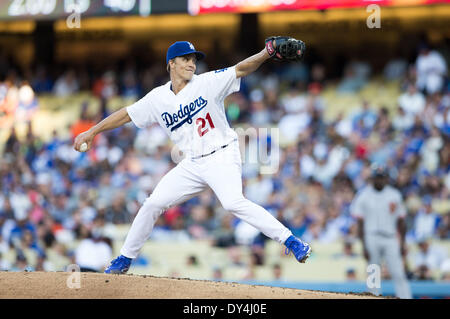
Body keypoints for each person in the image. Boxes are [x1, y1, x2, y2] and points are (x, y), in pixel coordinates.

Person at [74, 38, 311, 274]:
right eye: (185, 59)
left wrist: (266, 53)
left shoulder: (207, 82)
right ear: (171, 64)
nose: (191, 63)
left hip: (222, 155)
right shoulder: (157, 98)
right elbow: (126, 114)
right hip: (192, 163)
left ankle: (291, 241)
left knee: (232, 202)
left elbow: (240, 69)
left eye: (193, 59)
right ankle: (125, 258)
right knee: (153, 203)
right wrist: (92, 131)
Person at [350, 164, 412, 299]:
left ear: (387, 178)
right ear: (372, 178)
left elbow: (401, 222)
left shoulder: (394, 195)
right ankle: (373, 297)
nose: (380, 180)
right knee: (373, 274)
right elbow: (360, 223)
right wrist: (364, 245)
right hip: (371, 236)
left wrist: (402, 243)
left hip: (390, 237)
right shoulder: (364, 195)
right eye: (377, 177)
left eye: (382, 177)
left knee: (398, 273)